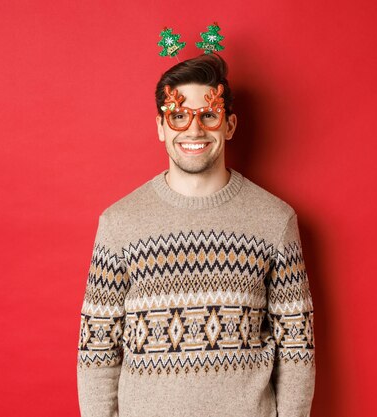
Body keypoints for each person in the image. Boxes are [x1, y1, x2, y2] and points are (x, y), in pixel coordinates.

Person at [77, 53, 315, 417]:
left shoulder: (275, 220)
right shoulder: (119, 223)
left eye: (208, 115)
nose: (193, 130)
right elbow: (97, 350)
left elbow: (297, 347)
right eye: (178, 116)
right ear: (160, 126)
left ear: (229, 124)